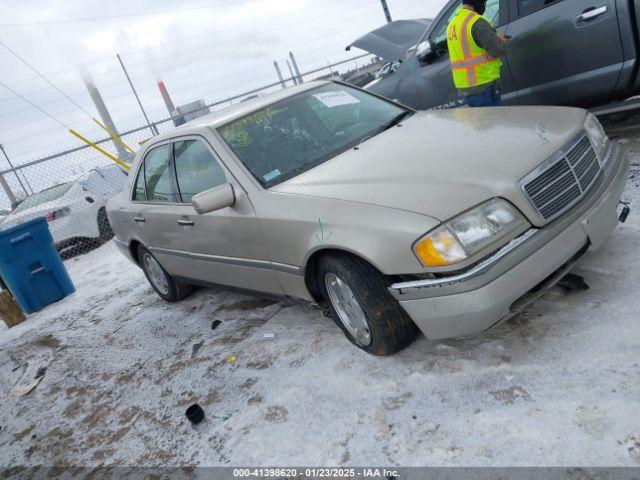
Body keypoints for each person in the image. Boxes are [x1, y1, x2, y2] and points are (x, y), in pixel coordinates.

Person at [446, 0, 509, 107]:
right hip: (484, 85)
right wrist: (502, 40)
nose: (484, 5)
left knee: (481, 123)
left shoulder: (452, 24)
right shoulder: (476, 22)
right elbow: (497, 49)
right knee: (492, 121)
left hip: (466, 88)